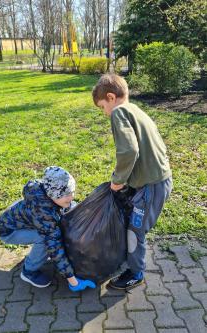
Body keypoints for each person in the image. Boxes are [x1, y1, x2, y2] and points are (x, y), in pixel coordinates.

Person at [92, 74, 172, 290]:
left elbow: (129, 150)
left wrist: (118, 180)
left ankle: (135, 274)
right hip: (158, 181)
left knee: (134, 231)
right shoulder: (135, 109)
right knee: (134, 225)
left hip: (151, 187)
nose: (104, 112)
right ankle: (130, 260)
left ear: (110, 97)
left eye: (102, 107)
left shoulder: (118, 112)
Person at [0, 166, 96, 292]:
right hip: (8, 231)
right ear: (52, 194)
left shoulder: (48, 196)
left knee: (67, 212)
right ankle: (29, 271)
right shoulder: (44, 214)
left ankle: (37, 256)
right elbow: (54, 246)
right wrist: (73, 281)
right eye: (64, 195)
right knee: (44, 239)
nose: (70, 197)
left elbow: (69, 208)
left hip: (21, 218)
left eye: (71, 192)